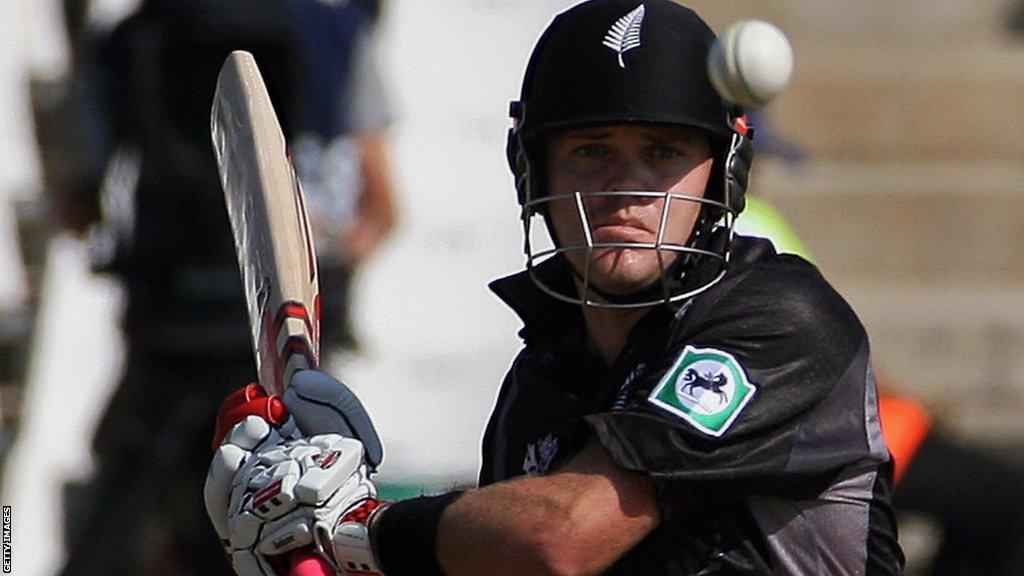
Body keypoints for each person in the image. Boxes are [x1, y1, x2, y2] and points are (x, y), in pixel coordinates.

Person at [205, 1, 904, 575]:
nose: (626, 189)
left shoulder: (781, 321)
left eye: (662, 153)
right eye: (591, 151)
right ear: (533, 173)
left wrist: (361, 523)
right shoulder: (539, 380)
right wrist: (308, 527)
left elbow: (562, 537)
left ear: (723, 172)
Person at [56, 1, 392, 574]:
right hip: (286, 339)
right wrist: (327, 263)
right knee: (282, 511)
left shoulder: (134, 36)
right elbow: (380, 208)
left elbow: (78, 203)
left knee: (121, 510)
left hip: (170, 324)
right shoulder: (334, 30)